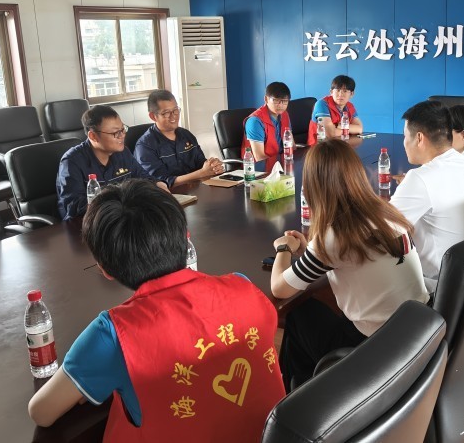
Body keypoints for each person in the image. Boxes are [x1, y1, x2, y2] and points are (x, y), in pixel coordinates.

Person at [29, 180, 285, 441]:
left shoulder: (112, 335)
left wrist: (89, 379)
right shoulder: (243, 287)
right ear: (186, 237)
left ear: (104, 269)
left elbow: (41, 412)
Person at [270, 139, 428, 391]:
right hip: (415, 333)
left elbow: (279, 289)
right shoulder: (385, 213)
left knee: (300, 314)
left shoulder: (335, 236)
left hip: (375, 347)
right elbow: (352, 257)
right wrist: (312, 249)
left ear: (312, 186)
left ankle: (299, 396)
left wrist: (284, 248)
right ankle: (306, 388)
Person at [390, 101, 464, 292]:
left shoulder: (420, 178)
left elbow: (381, 229)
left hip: (442, 288)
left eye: (405, 136)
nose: (403, 142)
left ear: (419, 138)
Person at [56, 105, 169, 221]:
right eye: (116, 133)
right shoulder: (72, 161)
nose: (122, 135)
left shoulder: (123, 152)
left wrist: (159, 184)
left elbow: (143, 176)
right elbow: (74, 207)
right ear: (93, 136)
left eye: (123, 129)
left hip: (120, 218)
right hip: (87, 224)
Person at [134, 90, 225, 187]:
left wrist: (212, 166)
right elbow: (161, 182)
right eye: (166, 113)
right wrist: (201, 173)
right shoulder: (145, 146)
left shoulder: (186, 135)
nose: (174, 116)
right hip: (169, 194)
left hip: (196, 188)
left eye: (175, 110)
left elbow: (200, 163)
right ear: (153, 116)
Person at [242, 81, 293, 161]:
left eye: (285, 101)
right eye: (276, 100)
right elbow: (260, 157)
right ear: (266, 99)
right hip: (259, 166)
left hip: (281, 162)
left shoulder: (284, 114)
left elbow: (291, 145)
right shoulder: (255, 121)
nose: (281, 105)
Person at [307, 75, 364, 145]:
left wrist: (339, 127)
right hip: (319, 147)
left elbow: (359, 129)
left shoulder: (349, 106)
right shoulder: (322, 104)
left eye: (345, 91)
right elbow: (331, 133)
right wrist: (347, 129)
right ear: (331, 92)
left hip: (340, 145)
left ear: (351, 94)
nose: (340, 94)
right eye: (338, 90)